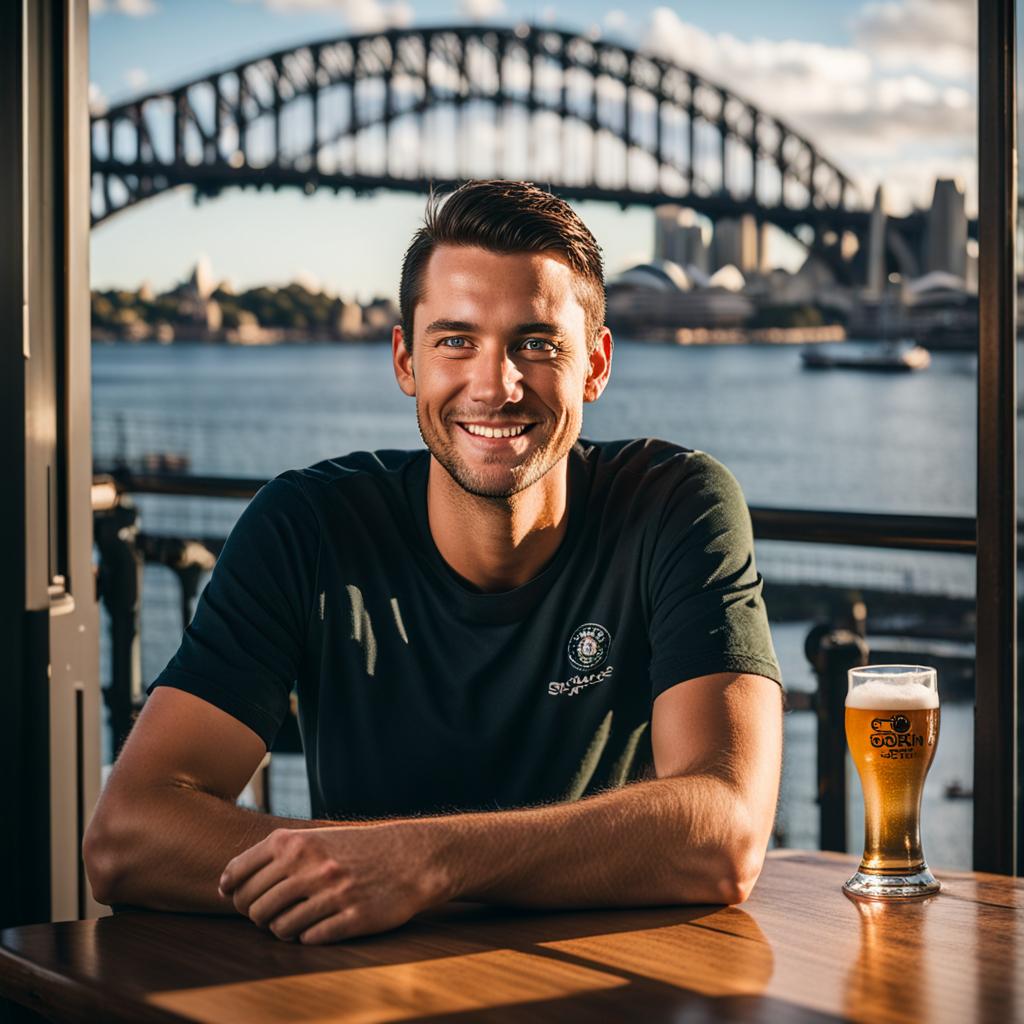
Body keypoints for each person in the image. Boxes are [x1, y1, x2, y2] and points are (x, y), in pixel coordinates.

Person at [83, 180, 784, 946]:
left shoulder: (676, 503)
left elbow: (728, 827)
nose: (495, 384)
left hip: (611, 988)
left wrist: (425, 863)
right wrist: (351, 870)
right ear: (405, 361)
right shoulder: (306, 524)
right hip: (361, 993)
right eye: (455, 340)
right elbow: (126, 836)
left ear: (596, 364)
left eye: (537, 343)